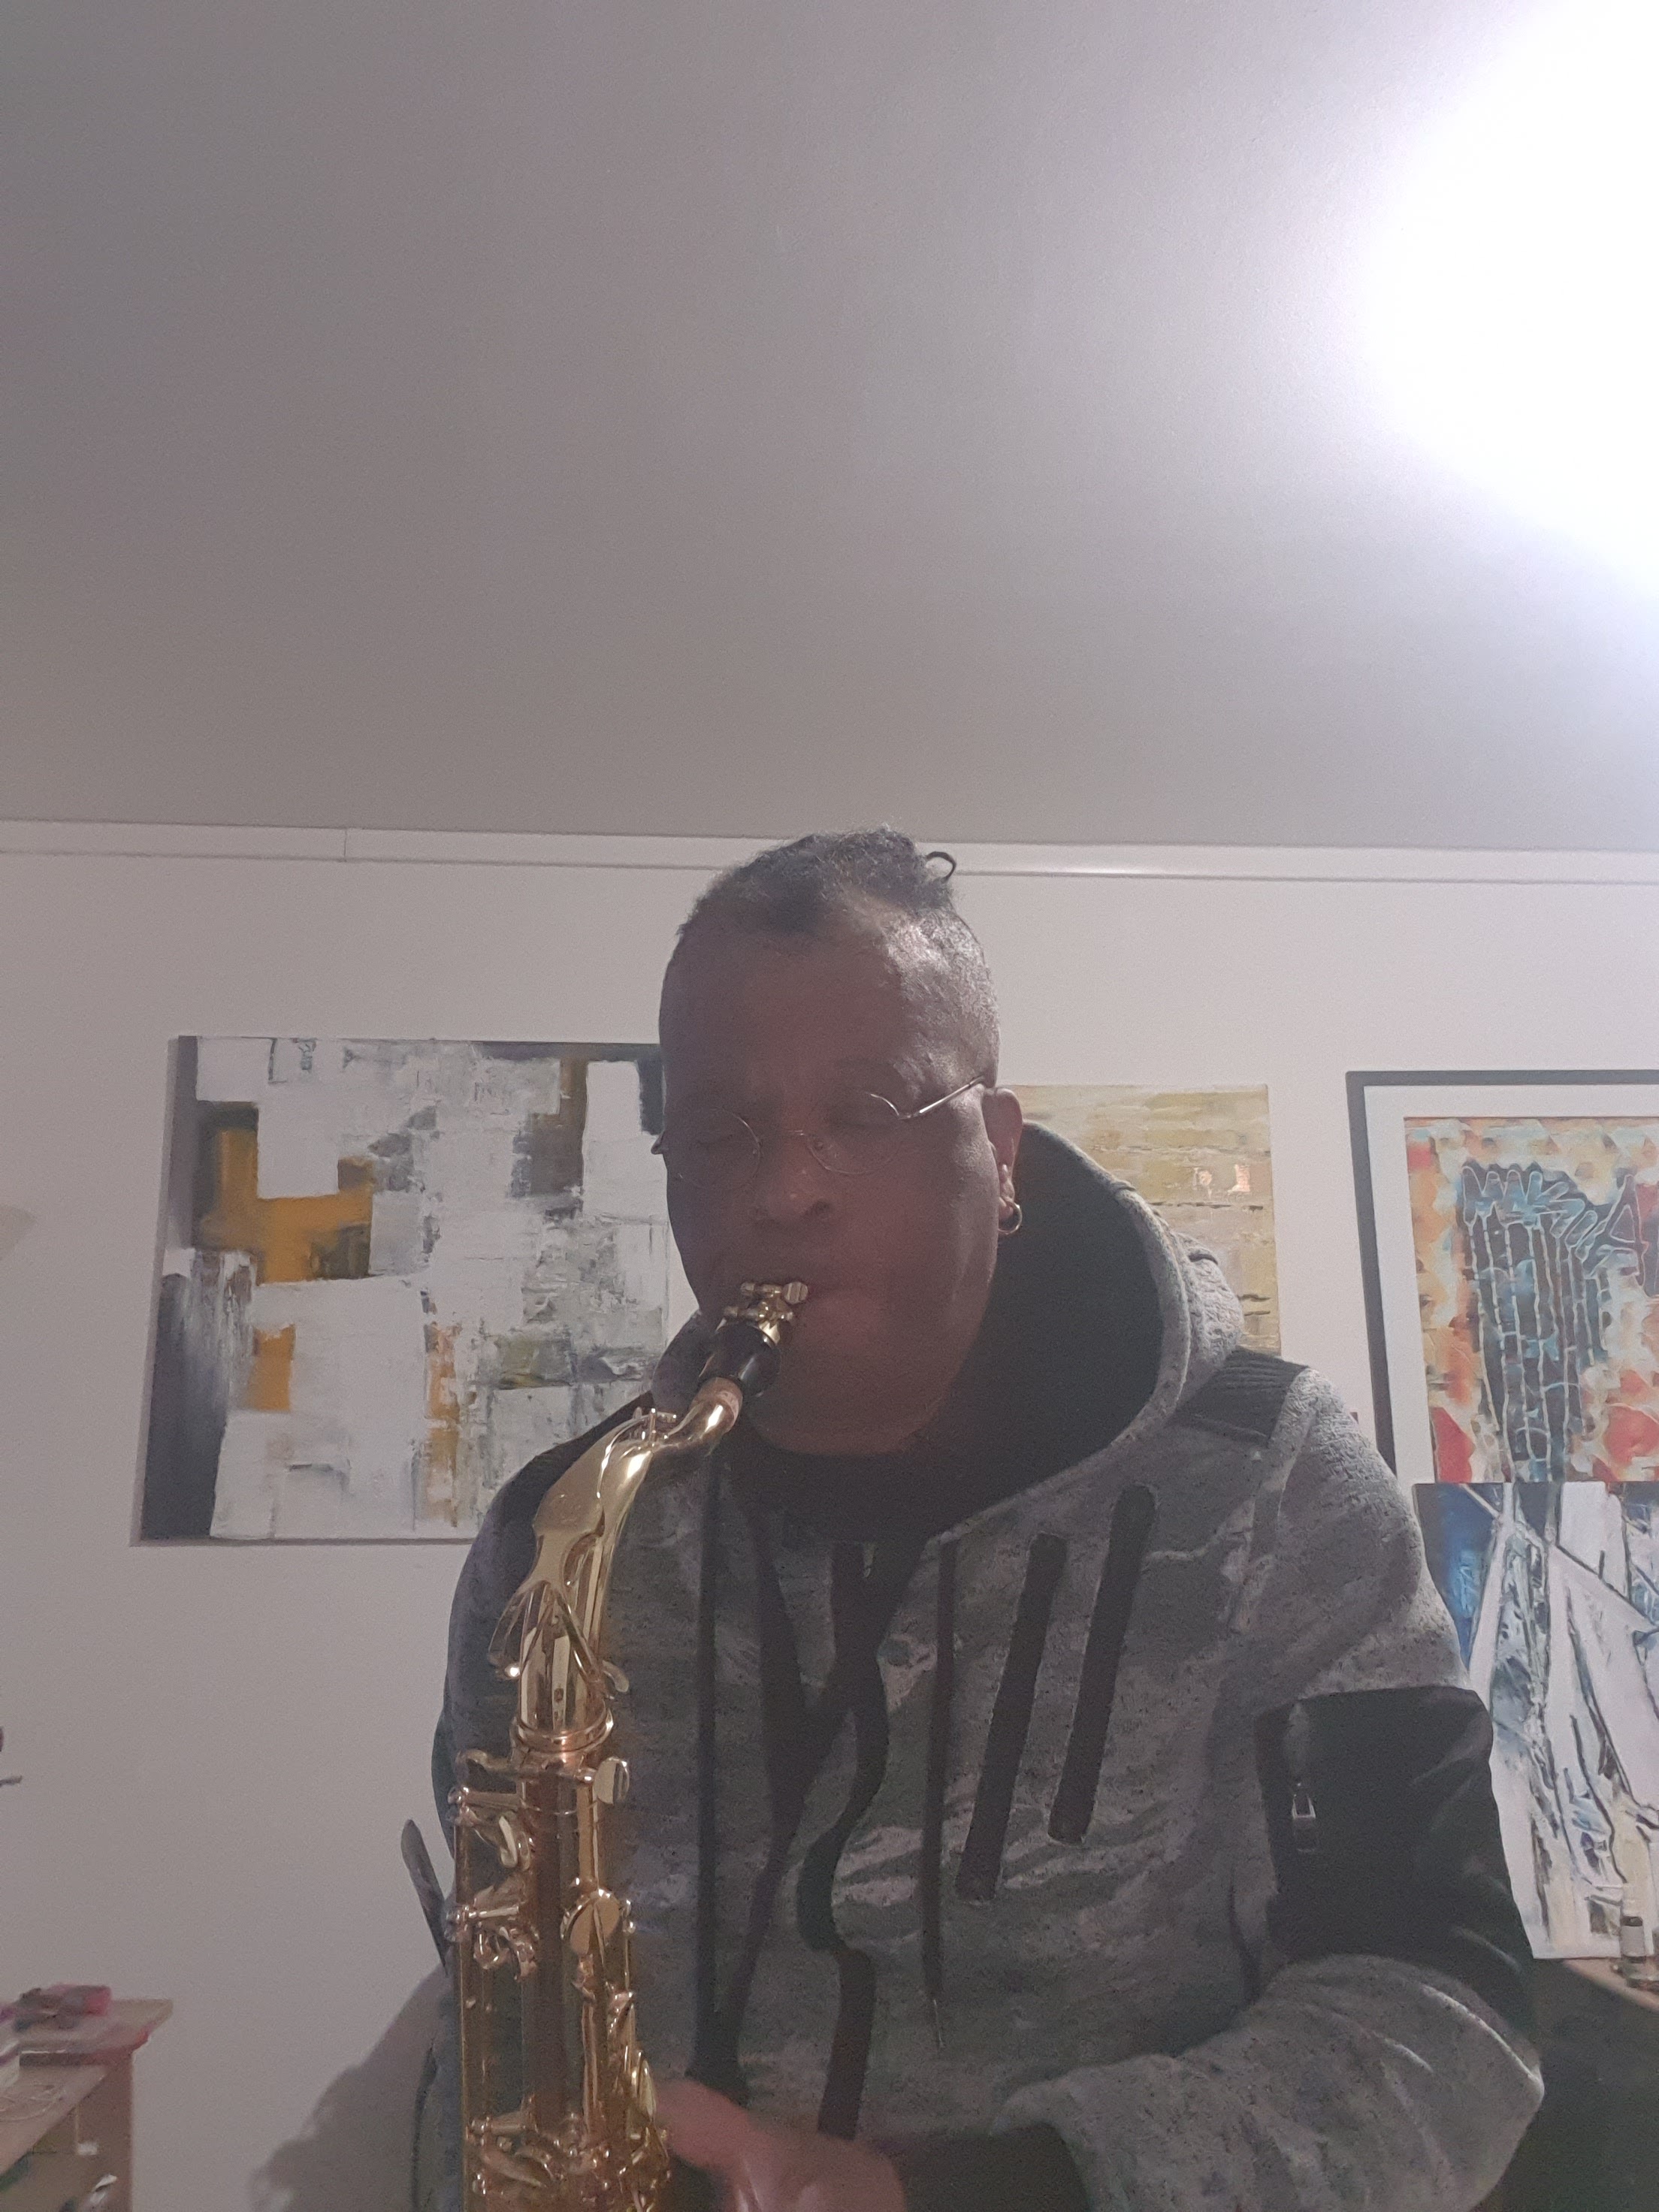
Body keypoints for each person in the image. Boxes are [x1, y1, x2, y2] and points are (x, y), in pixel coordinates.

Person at [433, 828, 1541, 2211]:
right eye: (720, 1133)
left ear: (999, 1154)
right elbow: (507, 2007)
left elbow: (1441, 2027)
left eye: (866, 1112)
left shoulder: (1279, 1483)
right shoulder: (560, 1534)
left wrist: (983, 2192)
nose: (784, 1191)